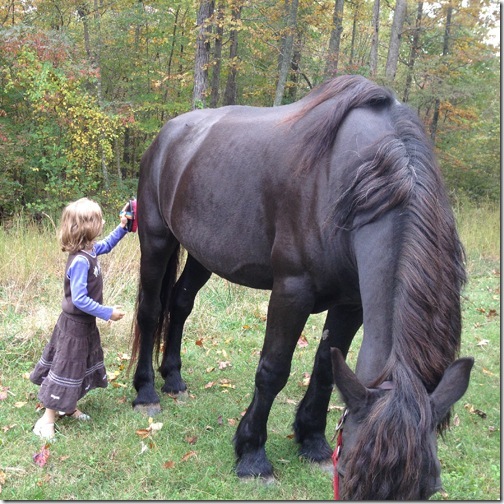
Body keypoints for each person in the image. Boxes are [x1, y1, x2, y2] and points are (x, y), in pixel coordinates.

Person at [30, 197, 131, 439]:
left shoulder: (90, 249)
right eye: (98, 219)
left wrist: (123, 228)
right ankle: (47, 419)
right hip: (74, 327)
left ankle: (70, 406)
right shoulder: (79, 261)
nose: (102, 221)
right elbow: (79, 300)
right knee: (66, 366)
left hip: (84, 326)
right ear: (85, 227)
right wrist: (108, 313)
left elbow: (106, 244)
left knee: (79, 366)